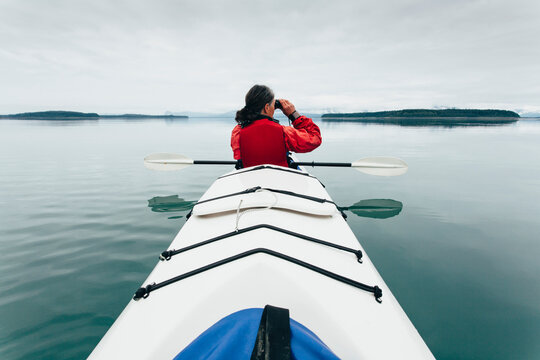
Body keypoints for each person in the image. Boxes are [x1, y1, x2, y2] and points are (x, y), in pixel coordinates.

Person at [231, 85, 322, 168]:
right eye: (273, 105)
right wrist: (294, 115)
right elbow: (315, 138)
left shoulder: (238, 132)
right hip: (279, 179)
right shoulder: (284, 132)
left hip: (249, 179)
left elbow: (240, 155)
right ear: (266, 107)